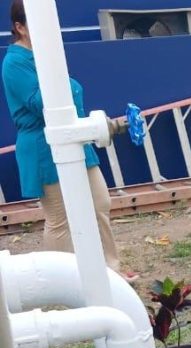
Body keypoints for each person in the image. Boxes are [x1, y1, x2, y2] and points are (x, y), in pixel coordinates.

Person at [2, 0, 137, 282]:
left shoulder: (44, 55)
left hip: (75, 140)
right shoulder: (14, 63)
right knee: (59, 219)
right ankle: (63, 281)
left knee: (100, 202)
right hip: (43, 148)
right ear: (20, 27)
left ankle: (110, 272)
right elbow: (44, 104)